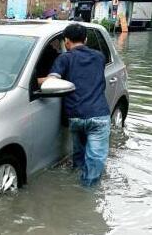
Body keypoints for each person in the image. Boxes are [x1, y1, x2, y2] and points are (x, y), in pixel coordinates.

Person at [38, 23, 110, 187]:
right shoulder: (99, 57)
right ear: (85, 39)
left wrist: (33, 80)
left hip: (76, 116)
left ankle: (80, 188)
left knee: (79, 155)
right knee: (95, 158)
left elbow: (52, 81)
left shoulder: (64, 58)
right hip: (99, 115)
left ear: (67, 41)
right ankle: (87, 193)